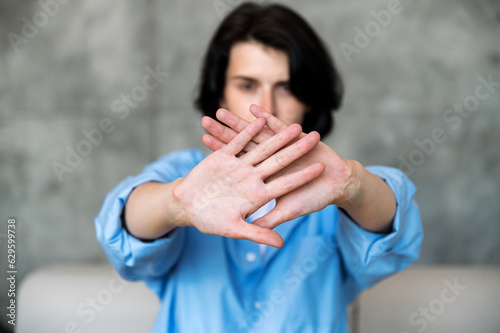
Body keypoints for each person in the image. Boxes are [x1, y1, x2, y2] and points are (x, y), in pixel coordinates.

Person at [95, 3, 423, 332]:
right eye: (247, 85)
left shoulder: (336, 193)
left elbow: (397, 238)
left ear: (309, 99)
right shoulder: (184, 172)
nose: (266, 109)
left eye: (286, 87)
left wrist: (354, 186)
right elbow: (124, 231)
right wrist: (174, 204)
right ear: (220, 93)